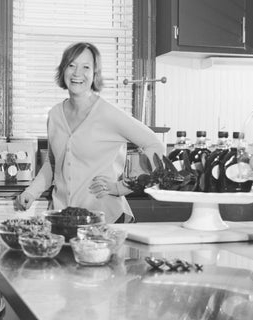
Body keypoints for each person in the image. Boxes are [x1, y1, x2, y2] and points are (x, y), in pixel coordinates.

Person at [15, 42, 164, 223]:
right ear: (63, 70)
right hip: (64, 219)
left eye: (86, 67)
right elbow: (53, 164)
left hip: (106, 220)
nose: (77, 73)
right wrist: (32, 191)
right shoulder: (55, 114)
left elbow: (154, 145)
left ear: (95, 74)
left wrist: (122, 187)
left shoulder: (108, 113)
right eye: (71, 65)